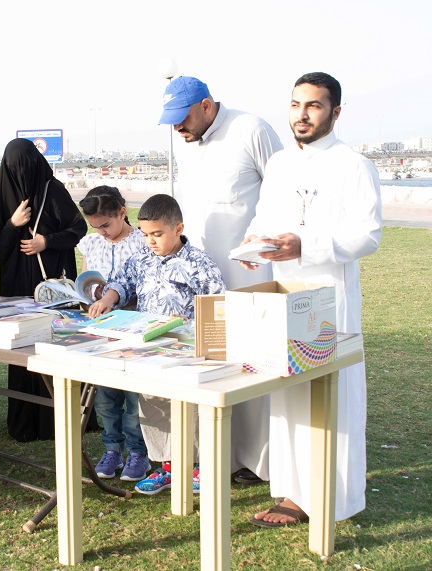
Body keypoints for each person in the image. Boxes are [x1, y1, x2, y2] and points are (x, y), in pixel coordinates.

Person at [243, 72, 381, 526]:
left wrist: (306, 246)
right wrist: (253, 245)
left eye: (314, 106)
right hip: (285, 292)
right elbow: (264, 216)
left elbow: (368, 235)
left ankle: (332, 497)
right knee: (288, 390)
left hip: (329, 297)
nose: (301, 115)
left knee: (331, 395)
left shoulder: (353, 165)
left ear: (335, 112)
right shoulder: (281, 163)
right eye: (295, 104)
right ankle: (292, 492)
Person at [153, 75, 284, 486]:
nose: (177, 126)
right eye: (172, 120)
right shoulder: (185, 143)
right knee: (210, 365)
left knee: (253, 366)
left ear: (207, 105)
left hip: (250, 276)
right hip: (198, 279)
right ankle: (214, 456)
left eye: (183, 117)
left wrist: (263, 242)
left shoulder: (251, 129)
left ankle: (258, 462)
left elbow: (283, 191)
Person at [88, 194, 225, 494]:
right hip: (149, 350)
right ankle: (168, 467)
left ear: (178, 228)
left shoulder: (199, 263)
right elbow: (121, 282)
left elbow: (216, 305)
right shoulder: (141, 259)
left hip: (186, 352)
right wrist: (108, 298)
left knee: (190, 410)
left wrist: (189, 322)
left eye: (157, 234)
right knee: (153, 407)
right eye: (145, 234)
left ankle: (200, 467)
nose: (150, 241)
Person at [0, 138, 87, 442]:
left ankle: (59, 419)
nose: (21, 173)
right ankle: (25, 423)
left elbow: (78, 228)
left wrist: (47, 241)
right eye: (14, 167)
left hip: (51, 286)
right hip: (16, 285)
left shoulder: (52, 190)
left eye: (25, 165)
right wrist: (12, 224)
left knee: (54, 346)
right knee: (20, 347)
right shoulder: (5, 196)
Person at [77, 186, 149, 481]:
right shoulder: (91, 243)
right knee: (105, 397)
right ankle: (112, 449)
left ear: (122, 212)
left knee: (134, 398)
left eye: (105, 225)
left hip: (135, 329)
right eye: (95, 227)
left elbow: (147, 286)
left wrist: (115, 297)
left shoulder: (143, 242)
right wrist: (90, 296)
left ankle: (138, 452)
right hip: (103, 332)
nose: (102, 232)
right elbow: (84, 282)